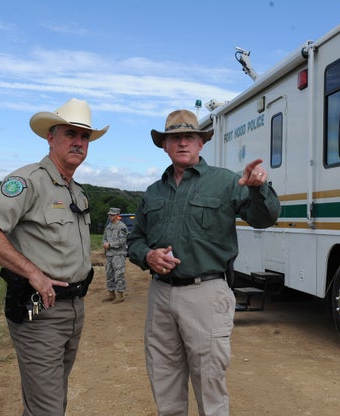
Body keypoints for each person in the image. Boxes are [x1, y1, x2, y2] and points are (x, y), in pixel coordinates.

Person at [127, 109, 280, 416]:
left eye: (189, 137)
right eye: (175, 138)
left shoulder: (226, 182)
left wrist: (257, 188)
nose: (182, 143)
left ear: (201, 143)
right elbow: (135, 239)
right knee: (164, 380)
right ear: (165, 145)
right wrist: (148, 255)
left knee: (210, 385)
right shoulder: (153, 192)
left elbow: (265, 218)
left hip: (206, 293)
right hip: (160, 295)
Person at [0, 98, 108, 416]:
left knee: (53, 398)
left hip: (74, 307)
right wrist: (33, 272)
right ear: (50, 138)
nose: (79, 142)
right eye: (70, 134)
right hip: (40, 308)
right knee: (47, 407)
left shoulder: (76, 190)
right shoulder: (29, 181)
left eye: (85, 136)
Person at [102, 207, 129, 303]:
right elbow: (104, 238)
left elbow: (122, 241)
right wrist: (104, 243)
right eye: (109, 215)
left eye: (112, 215)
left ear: (117, 215)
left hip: (118, 254)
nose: (110, 216)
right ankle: (111, 294)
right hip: (109, 254)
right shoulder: (108, 227)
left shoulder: (122, 227)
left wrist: (110, 244)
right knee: (109, 274)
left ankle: (120, 295)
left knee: (119, 275)